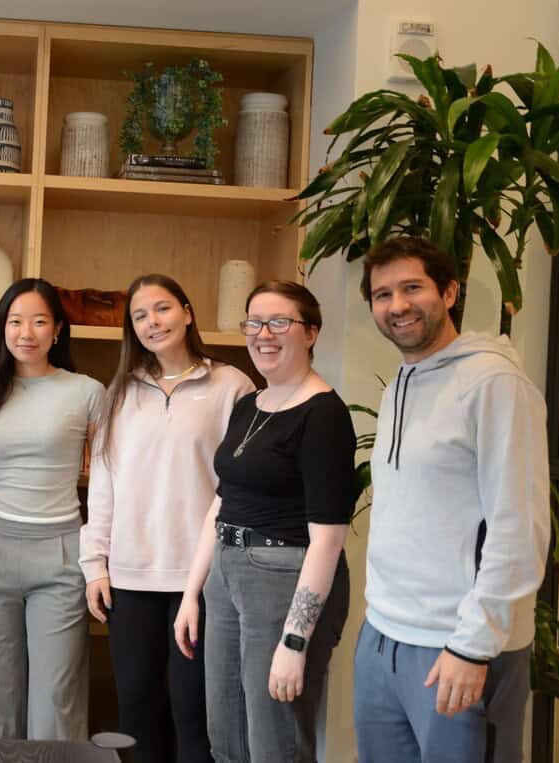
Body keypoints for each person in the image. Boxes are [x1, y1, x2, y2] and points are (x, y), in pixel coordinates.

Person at [353, 236, 549, 763]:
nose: (397, 305)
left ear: (450, 291)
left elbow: (519, 527)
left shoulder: (495, 383)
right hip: (384, 634)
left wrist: (473, 644)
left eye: (412, 287)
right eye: (382, 294)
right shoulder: (402, 378)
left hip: (457, 646)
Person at [174, 280, 355, 763]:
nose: (264, 334)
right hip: (227, 571)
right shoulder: (249, 405)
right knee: (226, 739)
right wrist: (193, 592)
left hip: (282, 577)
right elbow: (222, 500)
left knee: (275, 741)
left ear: (311, 332)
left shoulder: (324, 415)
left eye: (280, 322)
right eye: (254, 322)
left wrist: (295, 640)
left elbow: (328, 540)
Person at [79, 274, 255, 762]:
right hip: (130, 579)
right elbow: (104, 484)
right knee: (136, 710)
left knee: (193, 710)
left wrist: (207, 577)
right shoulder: (121, 392)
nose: (152, 322)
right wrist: (95, 564)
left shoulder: (231, 385)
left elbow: (237, 487)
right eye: (139, 316)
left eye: (162, 309)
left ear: (187, 311)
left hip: (197, 580)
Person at [0, 278, 102, 740]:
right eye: (15, 322)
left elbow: (104, 484)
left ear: (57, 329)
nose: (26, 332)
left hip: (61, 555)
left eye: (39, 321)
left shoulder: (87, 392)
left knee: (54, 706)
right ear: (2, 329)